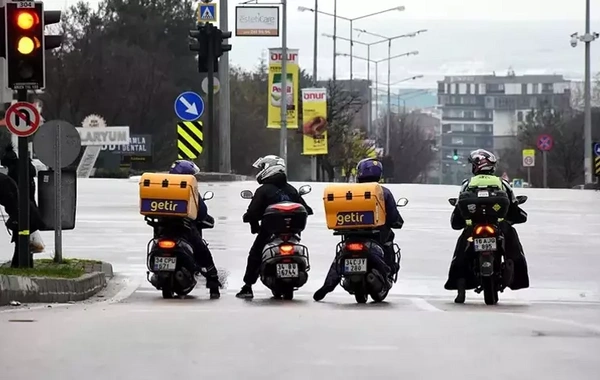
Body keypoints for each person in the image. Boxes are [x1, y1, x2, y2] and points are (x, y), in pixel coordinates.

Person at [444, 149, 529, 303]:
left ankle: (460, 286)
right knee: (514, 248)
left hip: (473, 228)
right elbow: (513, 205)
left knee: (460, 253)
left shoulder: (467, 184)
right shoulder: (502, 183)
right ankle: (517, 278)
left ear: (477, 166)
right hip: (499, 226)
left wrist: (459, 221)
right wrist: (518, 216)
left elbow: (459, 209)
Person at [313, 158, 404, 302]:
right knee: (389, 247)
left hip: (351, 237)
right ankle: (388, 272)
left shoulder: (350, 191)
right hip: (378, 238)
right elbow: (393, 217)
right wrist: (397, 221)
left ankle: (327, 287)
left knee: (339, 257)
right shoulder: (383, 192)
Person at [235, 155, 314, 299]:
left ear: (270, 168)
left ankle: (248, 287)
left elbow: (253, 212)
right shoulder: (291, 190)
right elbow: (307, 209)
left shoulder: (263, 190)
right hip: (292, 235)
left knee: (255, 254)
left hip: (269, 233)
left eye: (263, 167)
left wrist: (251, 220)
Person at [165, 160, 221, 299]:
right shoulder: (189, 190)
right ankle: (213, 284)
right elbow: (201, 213)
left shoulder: (162, 187)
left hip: (164, 230)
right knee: (203, 252)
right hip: (185, 230)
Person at [0, 171, 44, 267]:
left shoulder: (4, 183)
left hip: (24, 215)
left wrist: (15, 219)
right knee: (22, 241)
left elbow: (12, 201)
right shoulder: (4, 180)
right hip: (24, 214)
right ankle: (22, 265)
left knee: (22, 241)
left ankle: (21, 266)